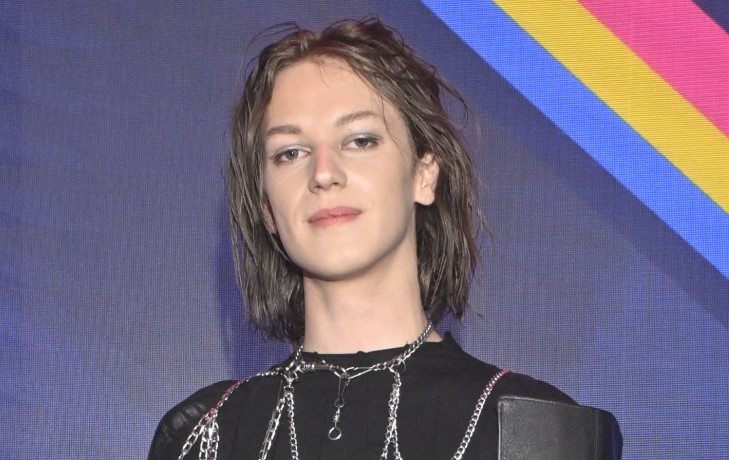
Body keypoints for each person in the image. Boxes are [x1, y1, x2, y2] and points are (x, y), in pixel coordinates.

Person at [149, 18, 621, 460]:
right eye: (290, 152)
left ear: (424, 174)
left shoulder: (539, 430)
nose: (324, 173)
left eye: (360, 140)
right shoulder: (201, 435)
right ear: (266, 206)